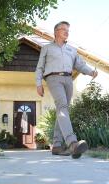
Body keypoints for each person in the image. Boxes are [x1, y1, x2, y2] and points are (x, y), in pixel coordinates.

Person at [35, 21, 98, 159]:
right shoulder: (47, 48)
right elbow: (40, 67)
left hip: (68, 80)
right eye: (63, 29)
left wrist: (91, 72)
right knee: (62, 105)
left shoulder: (71, 50)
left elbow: (80, 65)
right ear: (56, 32)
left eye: (68, 30)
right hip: (53, 78)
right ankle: (72, 143)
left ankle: (57, 145)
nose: (66, 31)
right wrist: (38, 83)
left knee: (62, 110)